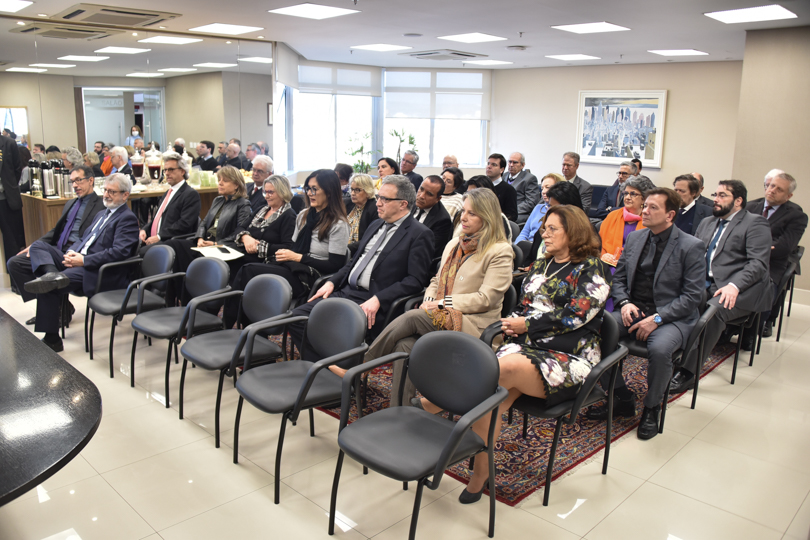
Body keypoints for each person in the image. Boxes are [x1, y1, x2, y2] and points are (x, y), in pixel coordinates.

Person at [417, 204, 610, 503]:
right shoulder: (543, 264)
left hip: (570, 357)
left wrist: (527, 324)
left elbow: (577, 315)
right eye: (544, 228)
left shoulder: (592, 268)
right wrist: (515, 322)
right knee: (494, 399)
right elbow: (524, 306)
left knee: (501, 371)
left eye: (552, 229)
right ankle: (480, 474)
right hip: (526, 346)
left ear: (573, 232)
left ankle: (436, 403)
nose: (544, 234)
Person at [350, 188, 513, 406]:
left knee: (412, 317)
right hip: (442, 317)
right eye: (463, 211)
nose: (464, 217)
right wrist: (429, 301)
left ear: (487, 216)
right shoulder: (455, 244)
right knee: (405, 346)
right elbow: (436, 280)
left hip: (474, 327)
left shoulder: (500, 251)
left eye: (472, 213)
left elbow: (486, 299)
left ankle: (362, 366)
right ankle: (400, 410)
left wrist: (441, 304)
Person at [589, 188, 706, 440]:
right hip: (634, 309)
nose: (645, 211)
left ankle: (652, 408)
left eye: (653, 207)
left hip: (670, 317)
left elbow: (692, 296)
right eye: (645, 206)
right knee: (594, 333)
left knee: (661, 350)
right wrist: (624, 303)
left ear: (670, 215)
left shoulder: (691, 246)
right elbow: (619, 278)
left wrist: (657, 319)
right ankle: (621, 396)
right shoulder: (636, 238)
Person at [287, 174, 434, 350]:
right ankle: (325, 362)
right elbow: (353, 263)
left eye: (385, 199)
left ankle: (330, 362)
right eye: (378, 197)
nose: (378, 203)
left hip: (372, 297)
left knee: (331, 329)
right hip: (345, 291)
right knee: (296, 318)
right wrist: (332, 282)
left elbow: (415, 280)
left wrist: (379, 299)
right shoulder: (376, 225)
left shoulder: (419, 234)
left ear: (403, 204)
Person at [10, 173, 139, 352]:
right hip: (78, 259)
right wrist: (72, 252)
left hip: (97, 269)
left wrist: (84, 260)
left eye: (112, 192)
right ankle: (51, 273)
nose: (106, 195)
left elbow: (119, 253)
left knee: (49, 286)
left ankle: (52, 339)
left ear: (125, 195)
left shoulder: (127, 218)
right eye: (105, 190)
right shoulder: (102, 214)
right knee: (37, 247)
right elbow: (84, 239)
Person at [669, 180, 773, 393]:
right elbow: (692, 254)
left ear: (738, 201)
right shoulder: (708, 222)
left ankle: (688, 372)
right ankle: (672, 351)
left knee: (713, 311)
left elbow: (758, 264)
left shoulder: (755, 223)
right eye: (715, 195)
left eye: (722, 195)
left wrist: (734, 285)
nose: (715, 199)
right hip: (705, 283)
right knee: (673, 297)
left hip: (741, 288)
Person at [224, 169, 349, 325]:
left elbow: (335, 265)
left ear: (329, 192)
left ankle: (230, 324)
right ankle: (249, 327)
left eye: (314, 189)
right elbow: (294, 248)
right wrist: (288, 255)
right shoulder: (304, 215)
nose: (309, 193)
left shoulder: (338, 224)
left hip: (312, 276)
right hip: (295, 267)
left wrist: (298, 257)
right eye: (308, 188)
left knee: (248, 271)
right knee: (249, 272)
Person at [8, 164, 104, 324]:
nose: (75, 185)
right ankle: (58, 304)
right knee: (15, 263)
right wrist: (36, 244)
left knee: (46, 271)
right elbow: (56, 230)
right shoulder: (71, 203)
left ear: (91, 180)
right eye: (72, 182)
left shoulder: (101, 204)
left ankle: (52, 306)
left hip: (77, 252)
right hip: (59, 250)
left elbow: (97, 236)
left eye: (79, 180)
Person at [164, 166, 252, 305]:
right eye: (219, 179)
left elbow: (239, 233)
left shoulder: (243, 204)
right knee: (172, 246)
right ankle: (174, 296)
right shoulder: (218, 200)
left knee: (187, 258)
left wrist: (216, 244)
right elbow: (204, 223)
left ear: (236, 185)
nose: (220, 183)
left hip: (221, 246)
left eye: (225, 181)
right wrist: (199, 238)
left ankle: (187, 299)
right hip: (205, 243)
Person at [745, 171, 808, 338]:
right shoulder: (750, 207)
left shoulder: (796, 216)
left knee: (762, 290)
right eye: (771, 186)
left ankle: (751, 333)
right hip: (742, 260)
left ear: (788, 196)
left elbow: (784, 247)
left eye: (779, 189)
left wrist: (751, 248)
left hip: (770, 265)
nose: (772, 190)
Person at [229, 174, 296, 277]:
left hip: (262, 260)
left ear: (282, 192)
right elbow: (240, 228)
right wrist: (246, 238)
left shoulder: (289, 215)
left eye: (270, 192)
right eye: (265, 192)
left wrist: (258, 247)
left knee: (231, 265)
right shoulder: (261, 209)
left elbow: (288, 247)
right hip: (244, 253)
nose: (266, 196)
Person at [138, 151, 202, 254]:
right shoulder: (168, 192)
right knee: (129, 246)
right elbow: (157, 218)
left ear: (182, 171)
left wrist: (159, 236)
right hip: (154, 238)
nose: (167, 173)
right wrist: (144, 230)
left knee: (139, 253)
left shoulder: (190, 194)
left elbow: (184, 224)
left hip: (170, 241)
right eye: (165, 170)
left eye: (171, 170)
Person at [522, 181, 584, 266]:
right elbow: (530, 258)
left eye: (556, 208)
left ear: (571, 209)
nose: (550, 211)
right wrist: (529, 267)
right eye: (550, 206)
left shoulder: (584, 233)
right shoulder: (544, 228)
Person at [599, 176, 656, 267]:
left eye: (633, 194)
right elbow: (598, 244)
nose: (627, 197)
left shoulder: (650, 220)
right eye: (625, 193)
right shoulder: (612, 216)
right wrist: (603, 255)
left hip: (636, 268)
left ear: (644, 198)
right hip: (608, 265)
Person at [458, 176, 512, 242]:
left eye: (471, 213)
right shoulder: (461, 214)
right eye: (468, 193)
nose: (462, 218)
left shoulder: (499, 220)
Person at [516, 173, 565, 244]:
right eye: (542, 188)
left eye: (548, 187)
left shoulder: (562, 212)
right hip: (527, 245)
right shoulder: (538, 208)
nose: (543, 192)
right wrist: (518, 245)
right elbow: (524, 232)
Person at [412, 175, 453, 258]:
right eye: (421, 189)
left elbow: (428, 251)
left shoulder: (443, 220)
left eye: (429, 194)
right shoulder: (409, 203)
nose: (421, 196)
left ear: (438, 199)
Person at [0, 132, 25, 266]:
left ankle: (13, 271)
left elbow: (17, 168)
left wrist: (9, 186)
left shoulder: (8, 143)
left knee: (11, 239)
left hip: (6, 198)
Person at [345, 173, 378, 254]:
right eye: (352, 189)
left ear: (368, 190)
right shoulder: (347, 204)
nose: (353, 193)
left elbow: (370, 239)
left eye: (357, 190)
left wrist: (345, 249)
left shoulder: (375, 209)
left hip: (358, 252)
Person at [503, 152, 540, 222]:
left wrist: (511, 210)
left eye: (515, 162)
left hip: (519, 213)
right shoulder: (504, 176)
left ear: (522, 165)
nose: (511, 165)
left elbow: (531, 202)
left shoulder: (529, 179)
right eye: (510, 162)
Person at [485, 153, 518, 222]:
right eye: (488, 163)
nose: (489, 167)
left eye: (494, 165)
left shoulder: (509, 190)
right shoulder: (481, 186)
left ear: (501, 170)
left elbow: (512, 215)